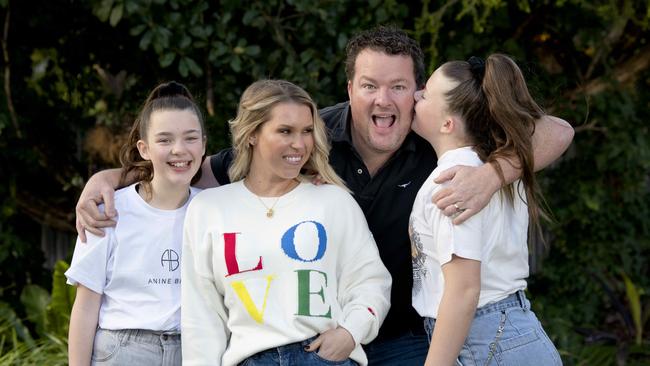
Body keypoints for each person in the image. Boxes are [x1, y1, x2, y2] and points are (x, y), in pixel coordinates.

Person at [75, 26, 574, 365]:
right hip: (323, 346)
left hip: (411, 338)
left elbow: (555, 129)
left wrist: (493, 174)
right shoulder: (309, 141)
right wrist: (113, 178)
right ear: (350, 88)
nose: (384, 100)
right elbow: (188, 168)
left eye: (399, 87)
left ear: (418, 94)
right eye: (369, 85)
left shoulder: (439, 143)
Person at [181, 79, 391, 366]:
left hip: (323, 357)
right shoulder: (209, 209)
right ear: (252, 134)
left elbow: (371, 282)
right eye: (285, 131)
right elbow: (201, 316)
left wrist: (350, 332)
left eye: (306, 131)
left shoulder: (333, 201)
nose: (299, 144)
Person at [409, 54, 562, 365]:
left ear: (447, 123)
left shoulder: (453, 182)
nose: (415, 95)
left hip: (484, 342)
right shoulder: (495, 167)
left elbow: (464, 292)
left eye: (425, 95)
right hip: (514, 332)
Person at [66, 81, 206, 366]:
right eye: (165, 140)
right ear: (144, 148)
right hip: (124, 350)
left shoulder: (214, 210)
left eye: (190, 138)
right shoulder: (108, 211)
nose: (179, 150)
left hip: (193, 351)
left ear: (204, 143)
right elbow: (85, 307)